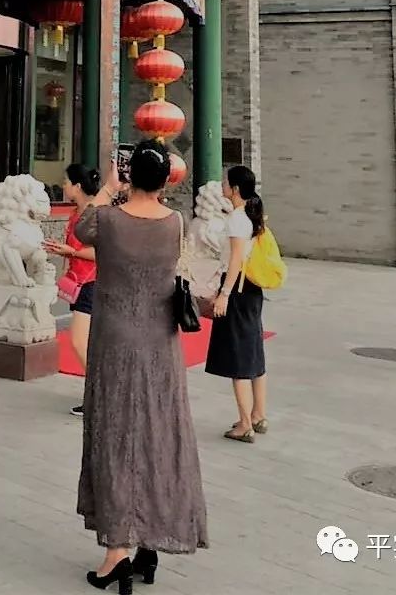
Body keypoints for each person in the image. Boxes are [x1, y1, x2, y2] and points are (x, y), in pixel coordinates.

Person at [75, 142, 207, 592]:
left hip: (114, 341)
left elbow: (81, 228)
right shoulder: (175, 222)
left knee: (116, 436)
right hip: (160, 345)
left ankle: (116, 552)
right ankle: (149, 542)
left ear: (129, 175)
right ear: (166, 179)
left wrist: (108, 187)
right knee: (157, 434)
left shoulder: (108, 219)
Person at [205, 164, 267, 443]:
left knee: (239, 357)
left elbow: (235, 261)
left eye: (225, 182)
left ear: (235, 189)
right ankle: (258, 414)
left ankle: (244, 424)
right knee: (253, 351)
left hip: (238, 290)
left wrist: (224, 294)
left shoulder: (237, 219)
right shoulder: (251, 215)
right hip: (251, 289)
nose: (222, 185)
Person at [42, 163, 100, 416]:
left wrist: (71, 251)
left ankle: (98, 395)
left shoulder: (96, 212)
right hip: (79, 281)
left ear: (77, 186)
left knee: (77, 340)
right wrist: (65, 251)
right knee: (86, 342)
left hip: (92, 281)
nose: (63, 186)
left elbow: (102, 252)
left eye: (66, 182)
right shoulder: (78, 212)